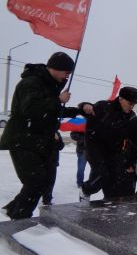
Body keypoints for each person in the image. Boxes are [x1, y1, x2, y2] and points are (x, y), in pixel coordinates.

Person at [1, 52, 87, 219]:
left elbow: (52, 112)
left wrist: (79, 110)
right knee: (35, 182)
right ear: (56, 68)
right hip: (23, 139)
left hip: (38, 141)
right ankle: (19, 219)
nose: (67, 76)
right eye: (66, 72)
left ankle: (12, 211)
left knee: (42, 182)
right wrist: (58, 100)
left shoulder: (49, 85)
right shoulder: (31, 83)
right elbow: (31, 109)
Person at [80, 86, 137, 200]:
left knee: (114, 182)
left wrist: (131, 163)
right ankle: (85, 191)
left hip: (114, 152)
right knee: (101, 175)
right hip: (95, 148)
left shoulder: (131, 118)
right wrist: (84, 105)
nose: (131, 106)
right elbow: (85, 108)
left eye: (134, 104)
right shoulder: (103, 107)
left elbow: (136, 142)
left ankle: (109, 204)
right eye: (129, 103)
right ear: (121, 99)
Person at [70, 102, 91, 188]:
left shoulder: (91, 122)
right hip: (82, 150)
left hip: (91, 150)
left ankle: (92, 181)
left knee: (95, 168)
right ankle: (80, 182)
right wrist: (82, 137)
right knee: (81, 168)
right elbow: (73, 135)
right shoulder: (79, 123)